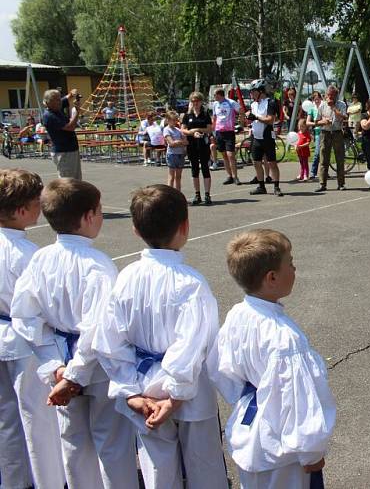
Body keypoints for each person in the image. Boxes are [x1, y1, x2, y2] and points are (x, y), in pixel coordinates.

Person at [93, 185, 228, 489]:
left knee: (157, 467)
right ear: (185, 227)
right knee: (204, 465)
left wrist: (130, 390)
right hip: (188, 393)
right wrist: (176, 395)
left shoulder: (125, 276)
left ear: (135, 230)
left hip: (144, 389)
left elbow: (109, 341)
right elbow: (194, 343)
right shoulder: (192, 284)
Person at [10, 178, 137, 489]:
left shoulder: (41, 258)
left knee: (73, 442)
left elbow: (25, 316)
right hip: (94, 367)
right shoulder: (97, 266)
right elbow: (99, 328)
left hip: (62, 364)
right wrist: (72, 375)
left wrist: (55, 365)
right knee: (111, 444)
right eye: (100, 211)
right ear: (88, 217)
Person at [209, 229, 336, 489]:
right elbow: (298, 398)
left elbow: (221, 367)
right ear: (272, 277)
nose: (295, 267)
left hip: (251, 431)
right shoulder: (284, 338)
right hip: (283, 452)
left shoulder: (238, 314)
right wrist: (311, 451)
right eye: (290, 263)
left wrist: (247, 397)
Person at [0, 169, 65, 489]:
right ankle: (48, 481)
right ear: (22, 210)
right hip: (23, 340)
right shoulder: (27, 255)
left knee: (6, 419)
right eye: (36, 203)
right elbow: (42, 307)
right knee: (37, 420)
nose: (41, 208)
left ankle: (12, 479)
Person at [247, 80, 283, 196]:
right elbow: (250, 120)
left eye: (253, 91)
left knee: (272, 162)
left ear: (260, 91)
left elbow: (270, 120)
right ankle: (261, 186)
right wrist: (246, 119)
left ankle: (276, 186)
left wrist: (256, 117)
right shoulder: (253, 104)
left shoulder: (270, 102)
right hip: (256, 137)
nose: (251, 94)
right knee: (256, 162)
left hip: (267, 136)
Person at [182, 92, 214, 205]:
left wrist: (197, 130)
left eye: (197, 101)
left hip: (203, 144)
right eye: (193, 101)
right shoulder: (187, 115)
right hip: (192, 145)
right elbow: (183, 130)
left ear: (201, 102)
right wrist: (191, 133)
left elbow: (209, 129)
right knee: (194, 169)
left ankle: (207, 195)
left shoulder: (205, 114)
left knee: (205, 167)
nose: (195, 103)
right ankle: (197, 194)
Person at [42, 89, 82, 179]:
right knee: (68, 181)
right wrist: (77, 112)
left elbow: (67, 98)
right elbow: (70, 127)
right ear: (48, 102)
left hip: (70, 149)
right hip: (63, 152)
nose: (60, 101)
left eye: (59, 98)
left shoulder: (56, 107)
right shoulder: (49, 116)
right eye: (56, 99)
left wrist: (73, 93)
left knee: (76, 179)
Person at [315, 85, 348, 192]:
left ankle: (341, 184)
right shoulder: (322, 106)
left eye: (332, 95)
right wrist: (323, 122)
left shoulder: (341, 104)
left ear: (336, 95)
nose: (330, 97)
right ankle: (322, 184)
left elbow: (342, 117)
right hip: (325, 133)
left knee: (340, 159)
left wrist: (333, 107)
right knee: (323, 159)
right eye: (328, 95)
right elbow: (316, 121)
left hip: (337, 132)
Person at [212, 87, 242, 185]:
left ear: (219, 95)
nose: (213, 97)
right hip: (219, 132)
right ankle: (229, 176)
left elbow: (241, 111)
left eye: (214, 95)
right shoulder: (215, 104)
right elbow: (214, 118)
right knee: (224, 155)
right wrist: (212, 131)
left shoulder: (231, 102)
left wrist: (241, 123)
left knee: (231, 155)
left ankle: (235, 176)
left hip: (229, 131)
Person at [163, 111, 187, 192]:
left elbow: (186, 142)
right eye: (173, 120)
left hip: (180, 154)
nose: (175, 122)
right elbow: (171, 143)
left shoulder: (178, 130)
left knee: (178, 177)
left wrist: (179, 142)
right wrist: (180, 142)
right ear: (168, 120)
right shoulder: (166, 130)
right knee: (171, 177)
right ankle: (169, 195)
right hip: (172, 155)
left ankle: (178, 195)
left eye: (175, 120)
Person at [308, 91, 323, 180]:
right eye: (315, 99)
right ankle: (313, 172)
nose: (317, 101)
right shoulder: (312, 109)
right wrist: (316, 123)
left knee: (325, 153)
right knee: (317, 153)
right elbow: (307, 122)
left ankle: (324, 171)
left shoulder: (324, 107)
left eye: (318, 99)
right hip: (318, 132)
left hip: (326, 131)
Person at [296, 115, 312, 181]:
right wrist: (295, 146)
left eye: (302, 126)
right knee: (301, 163)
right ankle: (301, 174)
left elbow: (308, 143)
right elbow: (295, 141)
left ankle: (306, 175)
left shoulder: (307, 134)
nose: (301, 128)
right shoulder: (298, 133)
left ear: (306, 127)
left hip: (305, 151)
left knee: (305, 163)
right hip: (299, 151)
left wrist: (301, 146)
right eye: (300, 126)